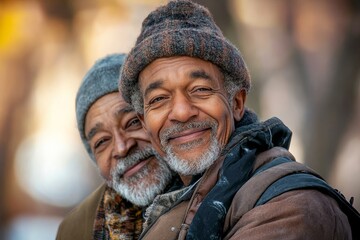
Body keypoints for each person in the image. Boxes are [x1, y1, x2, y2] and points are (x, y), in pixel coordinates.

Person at [119, 1, 359, 239]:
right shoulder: (161, 203)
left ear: (236, 103)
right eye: (159, 98)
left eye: (200, 89)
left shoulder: (292, 205)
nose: (182, 112)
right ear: (144, 122)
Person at [56, 54, 174, 239]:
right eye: (102, 141)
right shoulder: (75, 231)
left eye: (133, 122)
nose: (122, 147)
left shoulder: (221, 190)